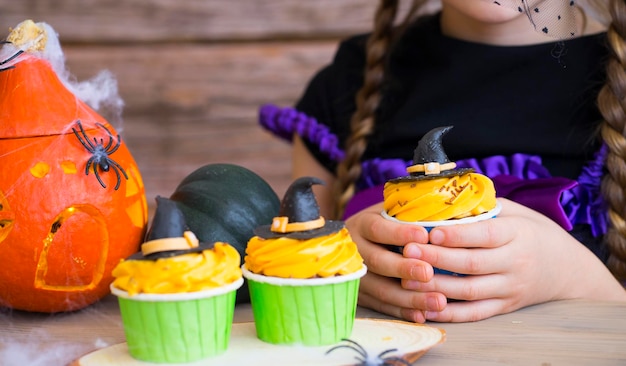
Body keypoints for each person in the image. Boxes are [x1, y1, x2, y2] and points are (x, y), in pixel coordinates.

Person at [259, 0, 626, 323]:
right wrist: (334, 259)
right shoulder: (348, 82)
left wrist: (571, 276)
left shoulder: (616, 85)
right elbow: (291, 290)